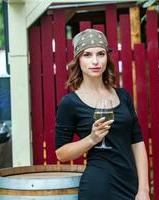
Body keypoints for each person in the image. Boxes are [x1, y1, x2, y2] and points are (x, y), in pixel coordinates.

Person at [55, 29, 150, 200]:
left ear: (107, 57)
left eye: (100, 54)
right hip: (99, 186)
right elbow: (61, 153)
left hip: (131, 184)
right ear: (78, 60)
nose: (95, 61)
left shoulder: (123, 96)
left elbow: (137, 143)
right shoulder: (70, 103)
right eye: (87, 55)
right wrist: (92, 139)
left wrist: (143, 190)